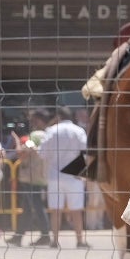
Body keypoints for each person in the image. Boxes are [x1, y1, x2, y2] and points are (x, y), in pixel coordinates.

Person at [39, 105, 89, 248]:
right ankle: (80, 240)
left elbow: (42, 153)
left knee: (55, 210)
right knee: (77, 210)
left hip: (55, 174)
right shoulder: (79, 131)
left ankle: (55, 241)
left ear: (58, 117)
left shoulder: (51, 131)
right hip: (74, 174)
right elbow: (85, 151)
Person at [8, 108, 52, 247]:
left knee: (37, 205)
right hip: (41, 175)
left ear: (38, 120)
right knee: (27, 207)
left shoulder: (34, 136)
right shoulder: (47, 135)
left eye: (33, 119)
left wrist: (16, 140)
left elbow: (22, 153)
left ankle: (45, 235)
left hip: (30, 176)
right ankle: (18, 236)